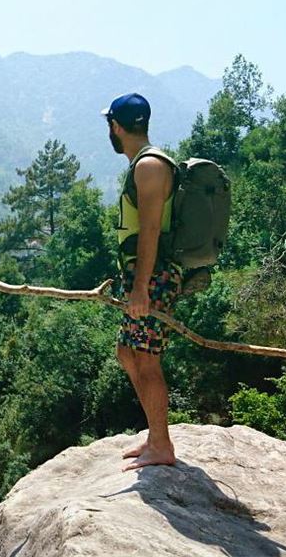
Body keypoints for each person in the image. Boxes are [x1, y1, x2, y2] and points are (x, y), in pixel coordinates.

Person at [101, 93, 182, 471]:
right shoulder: (143, 163)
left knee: (147, 361)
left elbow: (149, 229)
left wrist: (140, 288)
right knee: (126, 351)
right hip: (143, 275)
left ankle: (161, 445)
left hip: (153, 278)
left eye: (110, 126)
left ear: (116, 127)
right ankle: (155, 433)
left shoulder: (149, 166)